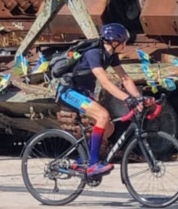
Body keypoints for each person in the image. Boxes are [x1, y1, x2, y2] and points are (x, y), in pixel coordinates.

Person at [57, 23, 143, 177]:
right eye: (123, 42)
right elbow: (105, 82)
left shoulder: (110, 56)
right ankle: (93, 164)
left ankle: (81, 161)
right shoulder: (93, 53)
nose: (125, 45)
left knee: (108, 127)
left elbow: (125, 79)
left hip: (83, 93)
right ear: (115, 42)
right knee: (103, 115)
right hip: (69, 92)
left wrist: (138, 98)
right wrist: (127, 99)